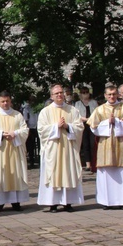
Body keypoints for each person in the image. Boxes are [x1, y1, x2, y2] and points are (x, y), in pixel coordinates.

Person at [87, 86, 123, 209]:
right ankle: (107, 202)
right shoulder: (99, 110)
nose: (111, 96)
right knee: (106, 174)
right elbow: (93, 128)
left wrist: (117, 122)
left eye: (114, 94)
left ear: (118, 95)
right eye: (109, 94)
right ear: (105, 95)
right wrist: (107, 123)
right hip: (105, 145)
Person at [37, 84, 84, 212]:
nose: (59, 95)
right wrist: (56, 126)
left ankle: (68, 202)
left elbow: (79, 127)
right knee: (53, 173)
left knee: (68, 172)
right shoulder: (45, 112)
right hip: (53, 149)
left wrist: (68, 126)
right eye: (56, 93)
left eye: (61, 93)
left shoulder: (72, 110)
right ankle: (53, 203)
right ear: (51, 96)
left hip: (68, 149)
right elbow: (41, 130)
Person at [0, 91, 29, 212]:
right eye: (3, 101)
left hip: (15, 150)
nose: (5, 103)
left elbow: (25, 130)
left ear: (10, 101)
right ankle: (0, 202)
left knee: (16, 173)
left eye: (7, 101)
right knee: (0, 174)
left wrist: (14, 133)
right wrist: (2, 134)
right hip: (0, 151)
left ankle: (16, 201)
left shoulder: (17, 115)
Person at [75, 86, 98, 171]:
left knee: (93, 143)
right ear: (80, 94)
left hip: (92, 124)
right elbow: (77, 115)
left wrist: (91, 119)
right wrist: (86, 119)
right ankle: (88, 164)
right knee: (85, 144)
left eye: (86, 92)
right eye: (83, 92)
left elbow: (97, 113)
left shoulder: (94, 102)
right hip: (83, 124)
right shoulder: (77, 103)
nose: (85, 94)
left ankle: (94, 163)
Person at [21, 96, 40, 168]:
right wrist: (27, 129)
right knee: (31, 146)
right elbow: (25, 119)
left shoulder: (38, 108)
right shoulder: (27, 108)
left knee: (39, 144)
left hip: (38, 127)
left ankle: (39, 160)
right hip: (31, 128)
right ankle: (31, 161)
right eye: (31, 100)